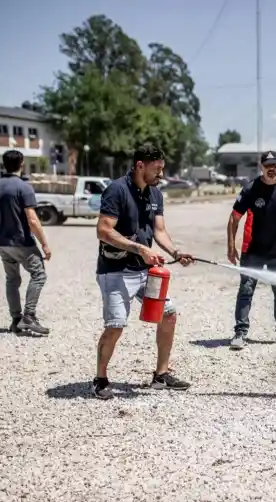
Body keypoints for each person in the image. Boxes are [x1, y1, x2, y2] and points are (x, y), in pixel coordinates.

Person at [94, 143, 195, 400]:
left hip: (145, 271)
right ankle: (101, 379)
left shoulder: (155, 194)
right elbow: (104, 231)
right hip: (115, 270)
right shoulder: (116, 190)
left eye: (162, 168)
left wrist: (175, 253)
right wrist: (139, 248)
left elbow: (159, 231)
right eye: (157, 168)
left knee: (169, 314)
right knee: (116, 325)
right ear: (140, 165)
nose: (161, 174)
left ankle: (161, 375)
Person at [227, 151, 276, 349]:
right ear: (261, 167)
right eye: (267, 165)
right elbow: (234, 218)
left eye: (275, 165)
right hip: (253, 251)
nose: (271, 169)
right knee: (246, 291)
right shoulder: (250, 189)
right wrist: (231, 246)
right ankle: (240, 333)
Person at [0, 150, 52, 336]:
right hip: (22, 241)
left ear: (4, 164)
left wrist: (0, 238)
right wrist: (45, 244)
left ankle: (16, 320)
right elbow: (32, 219)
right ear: (21, 163)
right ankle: (29, 316)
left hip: (3, 242)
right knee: (39, 275)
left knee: (12, 279)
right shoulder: (24, 187)